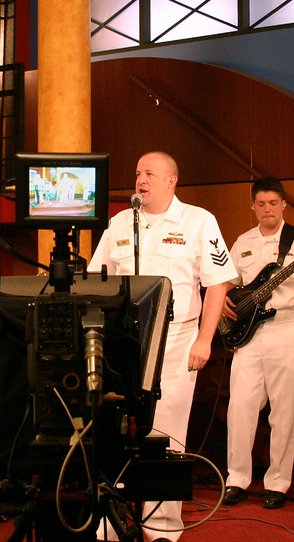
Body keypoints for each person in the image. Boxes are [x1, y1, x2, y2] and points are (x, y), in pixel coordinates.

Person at [88, 151, 238, 542]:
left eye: (150, 174)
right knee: (114, 430)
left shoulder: (198, 220)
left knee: (167, 432)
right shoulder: (120, 223)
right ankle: (111, 519)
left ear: (172, 180)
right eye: (138, 173)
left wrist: (205, 339)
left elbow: (217, 283)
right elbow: (95, 280)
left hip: (176, 339)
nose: (141, 180)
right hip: (124, 342)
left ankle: (162, 525)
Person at [221, 177, 294, 510]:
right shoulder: (243, 241)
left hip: (288, 329)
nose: (267, 209)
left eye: (273, 203)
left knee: (284, 412)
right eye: (261, 204)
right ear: (253, 206)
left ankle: (278, 483)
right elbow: (227, 284)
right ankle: (236, 479)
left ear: (283, 204)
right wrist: (224, 301)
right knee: (240, 408)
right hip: (250, 336)